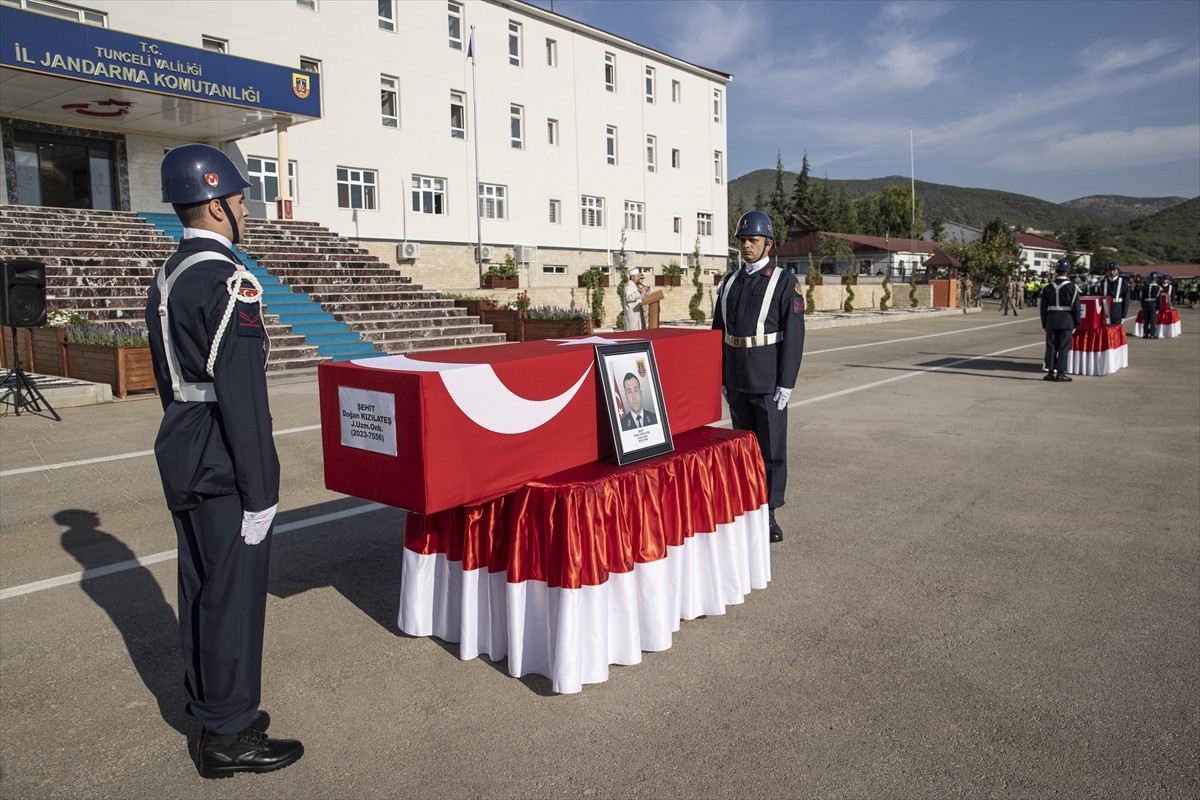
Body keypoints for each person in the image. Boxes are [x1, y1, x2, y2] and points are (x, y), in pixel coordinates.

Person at [144, 144, 304, 779]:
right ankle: (229, 737)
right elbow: (242, 396)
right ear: (215, 204)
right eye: (239, 200)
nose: (245, 210)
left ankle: (216, 708)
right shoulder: (228, 280)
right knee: (233, 596)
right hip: (222, 459)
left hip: (185, 444)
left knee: (202, 588)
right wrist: (261, 489)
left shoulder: (171, 272)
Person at [712, 210, 805, 543]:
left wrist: (787, 381)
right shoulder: (730, 282)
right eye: (742, 240)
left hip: (767, 380)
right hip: (736, 376)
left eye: (752, 240)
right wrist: (718, 375)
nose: (746, 246)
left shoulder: (784, 281)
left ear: (769, 243)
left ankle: (769, 513)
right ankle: (746, 507)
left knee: (770, 450)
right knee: (743, 450)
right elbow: (717, 332)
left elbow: (794, 334)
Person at [1039, 259, 1082, 382]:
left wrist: (1044, 322)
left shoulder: (1048, 287)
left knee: (1051, 346)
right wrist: (1077, 322)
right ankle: (1061, 373)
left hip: (1051, 320)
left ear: (1056, 271)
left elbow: (1043, 308)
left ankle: (1050, 372)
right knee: (1063, 347)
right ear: (1067, 272)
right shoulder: (1072, 287)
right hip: (1066, 320)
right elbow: (1076, 307)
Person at [1141, 273, 1162, 338]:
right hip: (1153, 303)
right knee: (1152, 320)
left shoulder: (1145, 287)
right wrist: (1158, 308)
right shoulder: (1158, 288)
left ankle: (1146, 333)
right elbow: (1159, 299)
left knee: (1146, 320)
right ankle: (1152, 334)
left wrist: (1142, 306)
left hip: (1146, 304)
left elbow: (1142, 298)